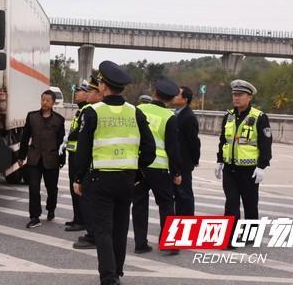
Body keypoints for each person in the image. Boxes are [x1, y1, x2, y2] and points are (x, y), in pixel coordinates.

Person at [74, 61, 155, 285]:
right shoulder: (135, 112)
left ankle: (109, 278)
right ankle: (117, 272)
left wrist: (78, 178)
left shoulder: (93, 112)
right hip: (127, 179)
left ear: (103, 86)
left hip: (101, 179)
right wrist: (137, 173)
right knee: (120, 229)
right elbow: (149, 149)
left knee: (102, 230)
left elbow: (83, 150)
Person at [216, 79, 272, 248]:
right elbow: (223, 140)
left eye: (240, 95)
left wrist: (262, 166)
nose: (236, 98)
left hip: (249, 170)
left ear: (249, 97)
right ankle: (230, 238)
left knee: (250, 204)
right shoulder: (228, 116)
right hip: (230, 169)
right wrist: (220, 160)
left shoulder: (259, 117)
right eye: (234, 95)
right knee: (231, 203)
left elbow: (265, 143)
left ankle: (250, 235)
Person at [132, 79, 182, 256]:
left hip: (138, 166)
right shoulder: (170, 117)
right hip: (159, 167)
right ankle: (169, 243)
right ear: (171, 99)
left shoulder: (139, 109)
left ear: (154, 93)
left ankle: (140, 243)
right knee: (166, 204)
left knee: (139, 204)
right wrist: (176, 172)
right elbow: (172, 148)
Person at [18, 90, 66, 229]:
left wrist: (62, 159)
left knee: (52, 188)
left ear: (53, 103)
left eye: (48, 100)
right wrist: (21, 156)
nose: (44, 102)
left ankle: (51, 208)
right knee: (33, 188)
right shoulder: (32, 117)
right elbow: (25, 138)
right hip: (34, 159)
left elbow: (62, 142)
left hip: (51, 159)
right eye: (43, 99)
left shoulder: (59, 120)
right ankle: (35, 217)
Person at [73, 75, 104, 249]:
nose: (87, 94)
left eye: (91, 91)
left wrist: (79, 176)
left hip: (95, 166)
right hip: (110, 168)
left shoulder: (93, 112)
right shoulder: (129, 111)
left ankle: (94, 235)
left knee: (91, 201)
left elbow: (85, 145)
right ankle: (94, 233)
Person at [171, 85, 201, 215]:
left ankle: (188, 223)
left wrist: (194, 161)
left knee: (185, 196)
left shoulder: (188, 117)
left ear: (185, 99)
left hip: (184, 163)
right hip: (176, 163)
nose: (174, 96)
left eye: (178, 94)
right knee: (178, 196)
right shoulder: (176, 114)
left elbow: (194, 142)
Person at [65, 83, 89, 232]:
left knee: (78, 187)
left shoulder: (87, 110)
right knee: (73, 187)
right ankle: (77, 218)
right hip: (74, 153)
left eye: (79, 91)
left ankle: (81, 221)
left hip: (79, 155)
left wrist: (70, 136)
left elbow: (79, 132)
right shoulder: (80, 110)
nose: (76, 93)